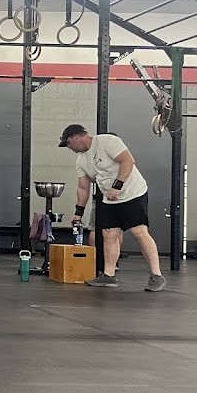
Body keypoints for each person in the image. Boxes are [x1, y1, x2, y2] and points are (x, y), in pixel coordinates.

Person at [59, 124, 165, 292]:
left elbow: (127, 160)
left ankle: (156, 275)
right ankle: (109, 275)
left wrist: (117, 186)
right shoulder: (81, 161)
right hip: (109, 199)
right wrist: (78, 213)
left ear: (75, 137)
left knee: (139, 232)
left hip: (132, 193)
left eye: (68, 143)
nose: (69, 148)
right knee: (108, 234)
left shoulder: (107, 141)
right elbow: (83, 188)